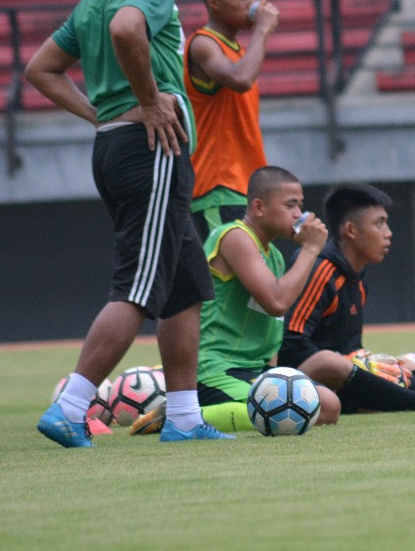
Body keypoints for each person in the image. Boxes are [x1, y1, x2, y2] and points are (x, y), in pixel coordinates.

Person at [25, 0, 232, 445]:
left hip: (118, 146)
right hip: (152, 150)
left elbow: (41, 69)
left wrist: (100, 115)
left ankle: (185, 418)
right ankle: (71, 406)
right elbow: (127, 30)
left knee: (185, 287)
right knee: (138, 289)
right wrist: (144, 101)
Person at [131, 166, 340, 434]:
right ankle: (178, 414)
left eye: (301, 205)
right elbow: (277, 302)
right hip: (216, 370)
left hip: (253, 370)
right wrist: (311, 249)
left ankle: (183, 412)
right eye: (290, 205)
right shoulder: (234, 236)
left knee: (329, 406)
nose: (299, 215)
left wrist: (272, 375)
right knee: (289, 413)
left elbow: (272, 324)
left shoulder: (273, 256)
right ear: (258, 207)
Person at [278, 183, 415, 413]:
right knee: (331, 362)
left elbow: (349, 346)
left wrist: (365, 365)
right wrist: (351, 366)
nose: (388, 232)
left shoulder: (357, 278)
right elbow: (290, 346)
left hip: (339, 378)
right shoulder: (321, 271)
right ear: (351, 230)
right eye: (379, 223)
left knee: (412, 364)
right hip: (297, 381)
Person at [185, 0, 279, 241]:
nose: (253, 4)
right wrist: (263, 30)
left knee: (247, 284)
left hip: (244, 190)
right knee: (222, 283)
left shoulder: (238, 49)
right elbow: (240, 80)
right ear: (214, 2)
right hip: (217, 191)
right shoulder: (204, 44)